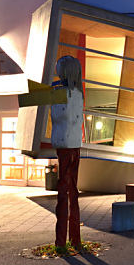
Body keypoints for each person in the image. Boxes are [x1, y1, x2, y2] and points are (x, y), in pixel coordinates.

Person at [50, 55, 84, 249]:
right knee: (73, 190)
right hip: (75, 144)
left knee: (63, 192)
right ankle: (75, 240)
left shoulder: (59, 93)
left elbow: (56, 115)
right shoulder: (78, 93)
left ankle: (61, 242)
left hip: (63, 144)